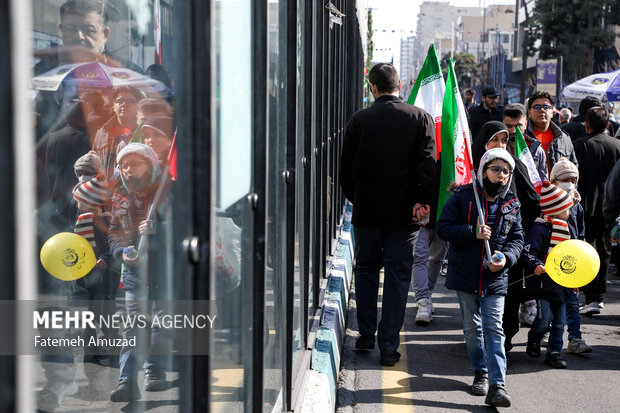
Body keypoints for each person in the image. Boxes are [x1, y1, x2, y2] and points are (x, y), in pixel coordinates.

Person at [340, 63, 436, 366]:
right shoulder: (420, 118)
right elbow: (428, 166)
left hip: (367, 213)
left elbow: (346, 169)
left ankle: (366, 334)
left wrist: (358, 199)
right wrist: (421, 201)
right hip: (404, 217)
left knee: (366, 271)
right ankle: (389, 347)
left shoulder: (359, 120)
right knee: (397, 278)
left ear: (373, 87)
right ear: (399, 86)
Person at [437, 148, 523, 408]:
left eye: (506, 172)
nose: (501, 176)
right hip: (466, 275)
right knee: (472, 329)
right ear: (484, 170)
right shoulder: (464, 197)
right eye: (496, 169)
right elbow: (443, 227)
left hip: (495, 278)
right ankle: (480, 372)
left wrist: (506, 258)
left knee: (495, 328)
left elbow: (517, 239)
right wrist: (471, 232)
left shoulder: (512, 203)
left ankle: (498, 385)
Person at [109, 143, 174, 402]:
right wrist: (122, 251)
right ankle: (126, 380)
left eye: (135, 164)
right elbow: (114, 232)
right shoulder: (121, 197)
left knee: (160, 324)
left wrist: (160, 230)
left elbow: (188, 227)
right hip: (135, 274)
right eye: (124, 165)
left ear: (151, 166)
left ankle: (155, 370)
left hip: (165, 272)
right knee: (132, 327)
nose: (128, 170)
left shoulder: (169, 192)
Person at [573, 106, 620, 315]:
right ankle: (597, 297)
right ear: (608, 124)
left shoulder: (580, 145)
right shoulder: (617, 145)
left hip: (585, 206)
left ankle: (588, 294)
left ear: (587, 124)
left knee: (586, 250)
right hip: (611, 208)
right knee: (604, 252)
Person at [522, 181, 573, 369]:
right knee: (544, 319)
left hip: (561, 283)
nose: (570, 213)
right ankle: (534, 338)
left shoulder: (567, 230)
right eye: (567, 209)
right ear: (555, 209)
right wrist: (536, 264)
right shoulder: (540, 229)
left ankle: (554, 352)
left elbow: (573, 256)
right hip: (542, 284)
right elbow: (528, 251)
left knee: (560, 322)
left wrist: (575, 278)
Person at [548, 158, 592, 354]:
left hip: (572, 262)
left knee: (572, 302)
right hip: (551, 260)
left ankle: (575, 338)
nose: (570, 183)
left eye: (573, 180)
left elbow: (581, 236)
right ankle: (545, 334)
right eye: (565, 179)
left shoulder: (578, 206)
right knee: (549, 302)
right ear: (554, 181)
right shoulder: (548, 204)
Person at [92, 86, 143, 179]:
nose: (124, 104)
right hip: (103, 188)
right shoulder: (102, 132)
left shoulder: (143, 133)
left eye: (130, 101)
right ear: (113, 106)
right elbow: (93, 162)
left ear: (138, 106)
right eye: (119, 101)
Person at [525, 90, 577, 176]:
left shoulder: (563, 138)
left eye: (546, 107)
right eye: (537, 107)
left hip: (558, 189)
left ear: (552, 112)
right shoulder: (522, 137)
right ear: (529, 112)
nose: (542, 110)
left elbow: (574, 169)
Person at [503, 102, 548, 182]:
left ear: (525, 124)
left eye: (518, 126)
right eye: (509, 126)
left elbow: (543, 180)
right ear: (503, 124)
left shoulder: (537, 150)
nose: (513, 130)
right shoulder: (498, 148)